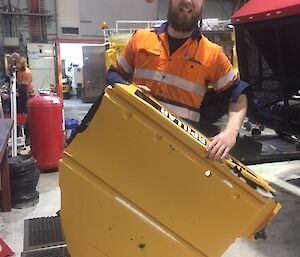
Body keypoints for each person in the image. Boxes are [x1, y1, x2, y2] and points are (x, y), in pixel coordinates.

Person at [106, 0, 249, 160]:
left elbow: (237, 94)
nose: (187, 1)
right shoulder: (140, 39)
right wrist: (129, 89)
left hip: (179, 151)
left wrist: (231, 132)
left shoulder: (212, 55)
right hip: (134, 139)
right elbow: (114, 74)